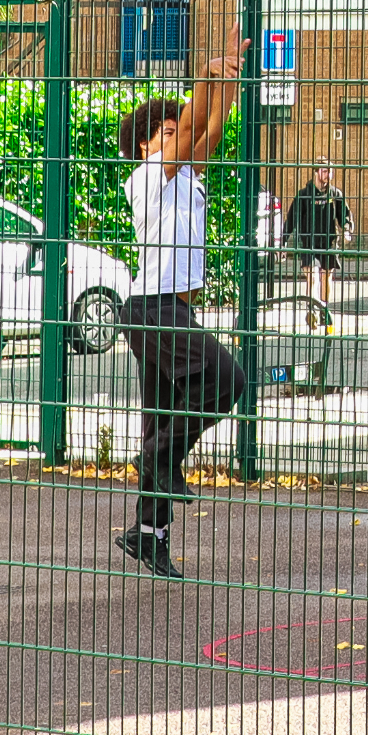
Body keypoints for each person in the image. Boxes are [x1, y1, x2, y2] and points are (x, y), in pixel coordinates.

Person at [113, 36, 245, 580]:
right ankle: (159, 458)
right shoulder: (147, 178)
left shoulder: (188, 176)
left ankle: (148, 536)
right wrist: (202, 76)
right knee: (228, 377)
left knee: (161, 422)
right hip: (151, 308)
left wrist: (226, 78)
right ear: (145, 147)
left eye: (175, 132)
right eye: (165, 134)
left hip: (175, 312)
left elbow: (209, 130)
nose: (177, 138)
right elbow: (193, 127)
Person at [284, 160, 351, 319]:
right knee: (312, 275)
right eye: (325, 171)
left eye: (330, 171)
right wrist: (283, 242)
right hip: (309, 243)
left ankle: (324, 309)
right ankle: (311, 309)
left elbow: (344, 215)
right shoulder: (304, 195)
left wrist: (347, 229)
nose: (329, 174)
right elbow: (291, 219)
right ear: (316, 172)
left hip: (329, 242)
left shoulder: (335, 194)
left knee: (326, 276)